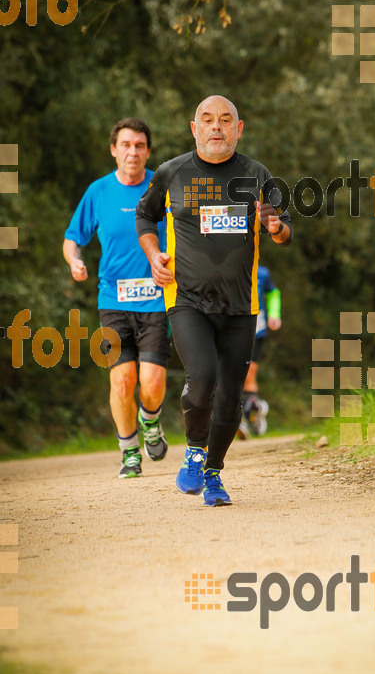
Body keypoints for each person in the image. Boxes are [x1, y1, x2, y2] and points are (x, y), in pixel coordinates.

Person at [136, 95, 293, 506]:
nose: (216, 127)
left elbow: (284, 230)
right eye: (208, 120)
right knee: (202, 376)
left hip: (242, 306)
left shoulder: (258, 175)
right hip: (186, 299)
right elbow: (144, 216)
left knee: (230, 398)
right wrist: (154, 256)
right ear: (195, 128)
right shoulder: (171, 172)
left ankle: (214, 473)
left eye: (226, 120)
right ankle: (193, 449)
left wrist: (274, 225)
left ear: (239, 129)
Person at [63, 118, 169, 479]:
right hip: (113, 301)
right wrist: (75, 259)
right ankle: (129, 452)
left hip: (157, 299)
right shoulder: (99, 192)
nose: (133, 152)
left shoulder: (163, 186)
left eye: (140, 145)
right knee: (122, 381)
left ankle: (150, 420)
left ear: (148, 151)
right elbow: (72, 238)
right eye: (126, 145)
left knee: (152, 385)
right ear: (114, 149)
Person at [239, 264, 281, 438]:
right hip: (231, 327)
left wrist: (274, 314)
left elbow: (273, 293)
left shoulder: (262, 272)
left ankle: (249, 416)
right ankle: (253, 409)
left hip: (257, 328)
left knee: (248, 374)